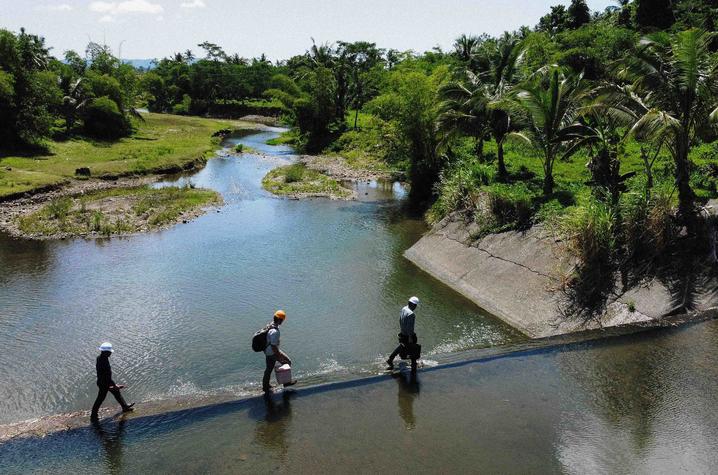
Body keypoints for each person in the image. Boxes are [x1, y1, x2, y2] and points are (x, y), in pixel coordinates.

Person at [91, 342, 135, 421]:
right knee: (100, 398)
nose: (111, 353)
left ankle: (125, 407)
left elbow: (106, 376)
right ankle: (93, 415)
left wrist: (114, 386)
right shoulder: (103, 361)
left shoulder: (100, 357)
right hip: (104, 383)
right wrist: (114, 385)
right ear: (106, 352)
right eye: (109, 352)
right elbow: (107, 377)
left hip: (103, 381)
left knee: (116, 393)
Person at [263, 310, 297, 393]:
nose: (283, 321)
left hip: (268, 351)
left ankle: (266, 386)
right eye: (282, 320)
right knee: (287, 361)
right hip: (272, 352)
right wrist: (278, 356)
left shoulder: (271, 325)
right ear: (279, 320)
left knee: (269, 369)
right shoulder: (275, 332)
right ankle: (285, 383)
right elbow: (273, 346)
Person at [386, 296, 420, 373]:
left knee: (402, 346)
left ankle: (390, 359)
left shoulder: (404, 308)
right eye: (416, 305)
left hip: (403, 332)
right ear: (413, 305)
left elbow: (400, 320)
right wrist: (410, 337)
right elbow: (410, 328)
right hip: (408, 334)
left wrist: (402, 330)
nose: (416, 307)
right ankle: (413, 364)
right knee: (413, 347)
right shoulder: (411, 314)